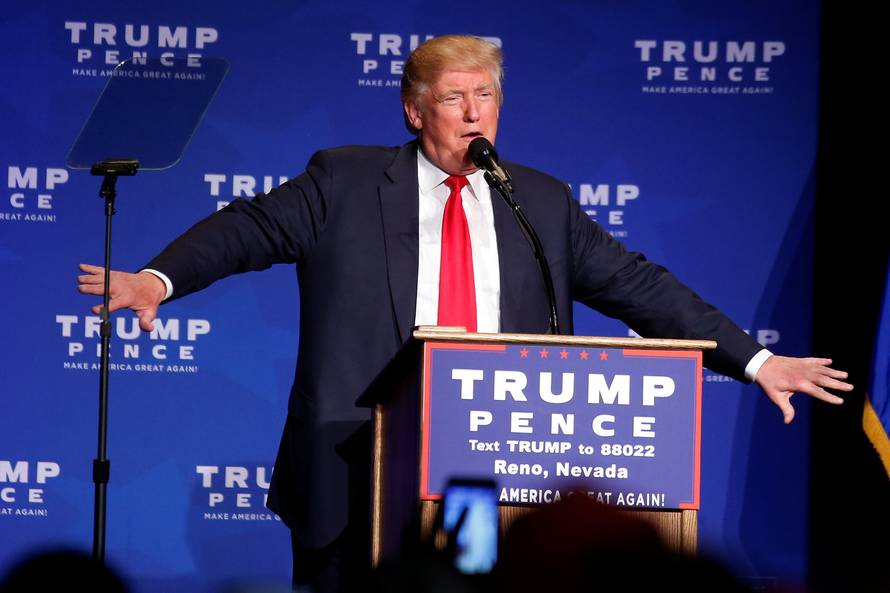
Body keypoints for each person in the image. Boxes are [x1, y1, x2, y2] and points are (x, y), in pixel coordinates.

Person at [77, 35, 852, 592]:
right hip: (359, 469)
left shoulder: (538, 201)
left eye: (486, 97)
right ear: (416, 111)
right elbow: (247, 229)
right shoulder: (344, 182)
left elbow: (639, 286)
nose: (473, 113)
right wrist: (159, 277)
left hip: (490, 474)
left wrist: (755, 360)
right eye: (454, 98)